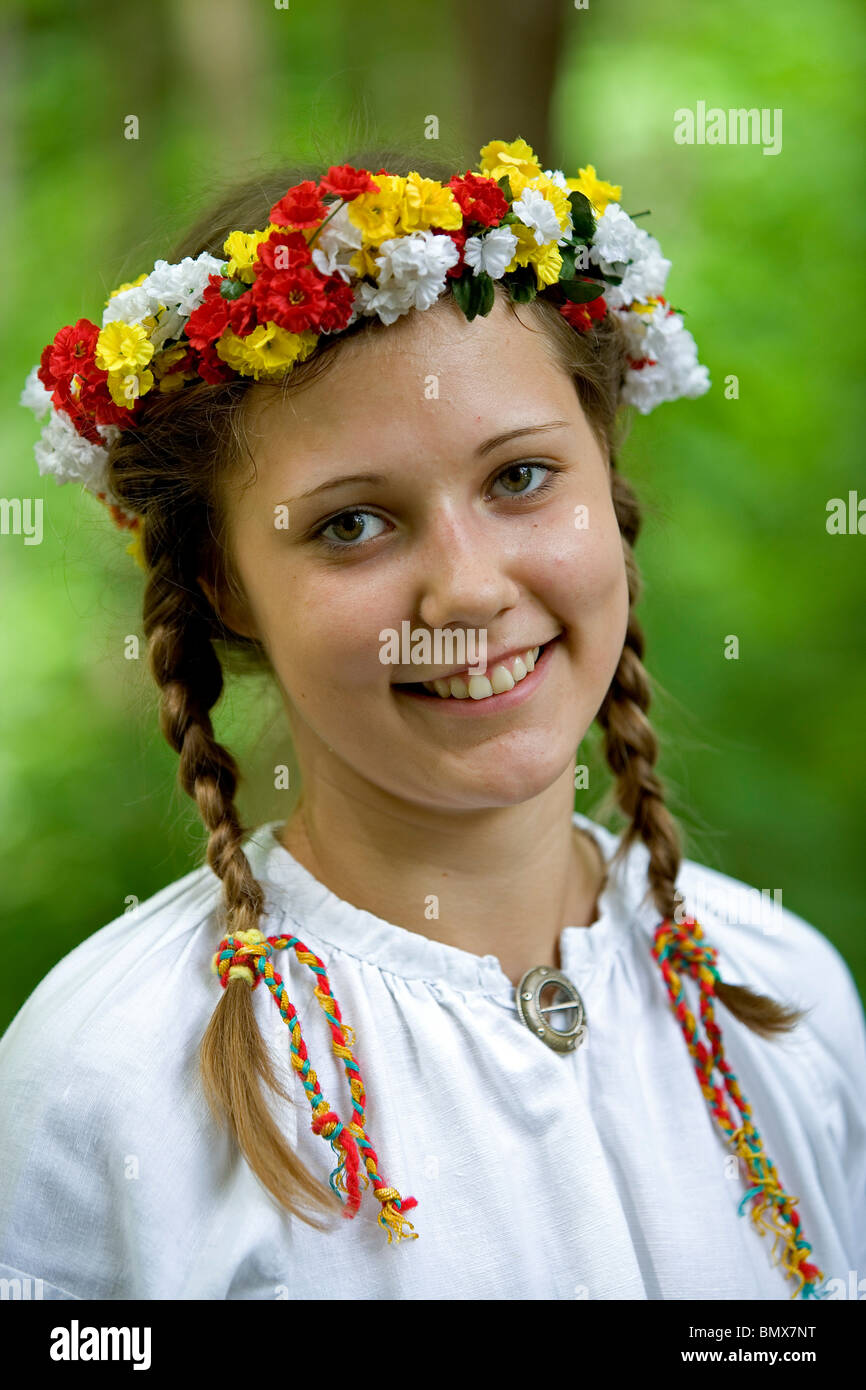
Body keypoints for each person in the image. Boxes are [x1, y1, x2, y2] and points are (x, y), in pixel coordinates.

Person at [2, 137, 863, 1301]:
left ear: (605, 486)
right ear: (225, 586)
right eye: (351, 524)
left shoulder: (783, 994)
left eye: (518, 478)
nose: (464, 591)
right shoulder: (106, 1079)